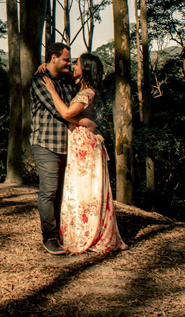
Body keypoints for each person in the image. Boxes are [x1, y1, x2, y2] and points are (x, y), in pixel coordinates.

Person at [44, 53, 127, 254]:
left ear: (86, 69)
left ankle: (88, 233)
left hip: (86, 148)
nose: (73, 65)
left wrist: (51, 91)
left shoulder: (86, 93)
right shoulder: (83, 89)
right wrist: (45, 65)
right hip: (82, 145)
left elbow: (65, 113)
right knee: (81, 190)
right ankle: (83, 231)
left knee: (86, 191)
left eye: (78, 63)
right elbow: (80, 116)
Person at [30, 42, 79, 255]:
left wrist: (69, 74)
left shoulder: (67, 82)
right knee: (49, 192)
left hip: (67, 145)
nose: (70, 62)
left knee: (61, 194)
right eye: (66, 59)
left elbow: (81, 94)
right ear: (53, 58)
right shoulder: (40, 81)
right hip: (45, 144)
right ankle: (50, 237)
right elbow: (63, 111)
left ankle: (61, 233)